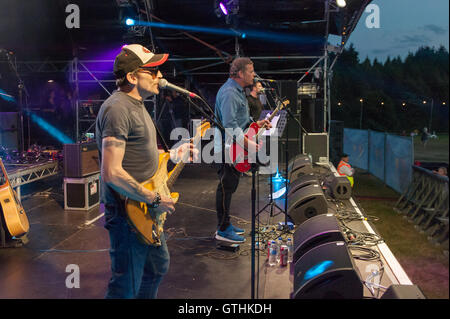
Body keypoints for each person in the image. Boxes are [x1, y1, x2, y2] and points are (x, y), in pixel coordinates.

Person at [95, 44, 197, 299]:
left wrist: (173, 155)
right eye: (152, 71)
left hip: (146, 209)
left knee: (157, 267)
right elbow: (112, 172)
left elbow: (138, 154)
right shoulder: (118, 109)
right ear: (131, 77)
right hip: (128, 212)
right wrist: (153, 198)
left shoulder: (137, 105)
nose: (160, 77)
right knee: (124, 287)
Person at [213, 57, 271, 243]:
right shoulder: (230, 93)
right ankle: (222, 229)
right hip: (227, 148)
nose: (254, 75)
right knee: (225, 187)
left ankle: (226, 224)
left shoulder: (238, 91)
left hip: (234, 147)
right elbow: (230, 126)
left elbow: (241, 122)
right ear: (240, 73)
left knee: (230, 187)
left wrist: (257, 124)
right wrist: (249, 145)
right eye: (251, 71)